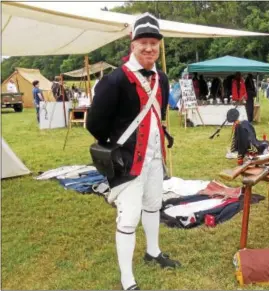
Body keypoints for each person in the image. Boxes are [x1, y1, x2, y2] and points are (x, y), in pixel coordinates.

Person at [86, 13, 180, 290]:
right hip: (127, 161)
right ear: (133, 44)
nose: (149, 48)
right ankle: (128, 280)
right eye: (144, 42)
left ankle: (152, 251)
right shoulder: (114, 81)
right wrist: (118, 146)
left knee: (153, 205)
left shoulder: (161, 78)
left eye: (154, 43)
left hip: (153, 156)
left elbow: (159, 113)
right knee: (128, 218)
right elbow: (94, 124)